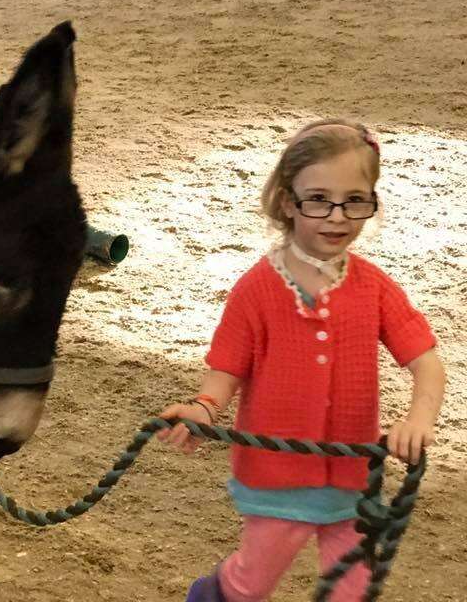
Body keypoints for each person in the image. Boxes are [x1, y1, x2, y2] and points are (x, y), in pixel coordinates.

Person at [157, 120, 446, 602]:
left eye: (355, 199)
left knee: (353, 592)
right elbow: (227, 369)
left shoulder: (374, 287)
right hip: (274, 479)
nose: (337, 217)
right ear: (288, 202)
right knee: (250, 586)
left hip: (353, 481)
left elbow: (427, 361)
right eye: (318, 199)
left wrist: (419, 416)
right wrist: (205, 407)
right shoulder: (256, 289)